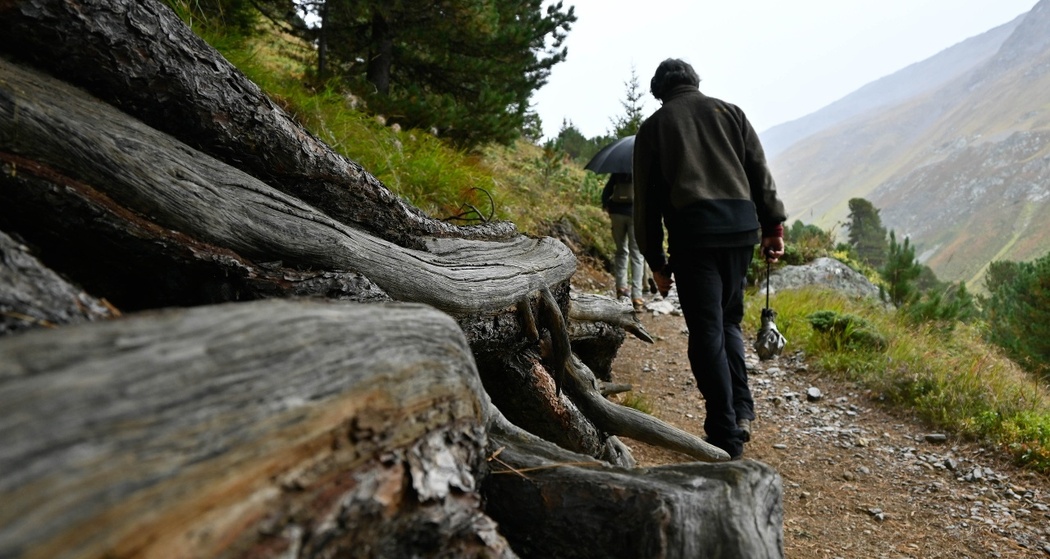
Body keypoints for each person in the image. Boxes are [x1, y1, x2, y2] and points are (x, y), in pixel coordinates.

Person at [632, 58, 787, 460]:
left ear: (659, 92)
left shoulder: (654, 128)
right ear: (694, 83)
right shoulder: (729, 112)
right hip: (740, 232)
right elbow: (760, 172)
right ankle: (742, 411)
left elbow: (646, 203)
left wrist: (656, 260)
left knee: (707, 331)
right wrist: (773, 229)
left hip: (694, 235)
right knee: (730, 320)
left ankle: (724, 431)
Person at [601, 172, 646, 311]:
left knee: (621, 251)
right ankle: (637, 297)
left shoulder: (617, 170)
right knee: (637, 255)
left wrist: (606, 206)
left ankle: (621, 288)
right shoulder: (639, 169)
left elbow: (606, 191)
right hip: (634, 214)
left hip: (617, 213)